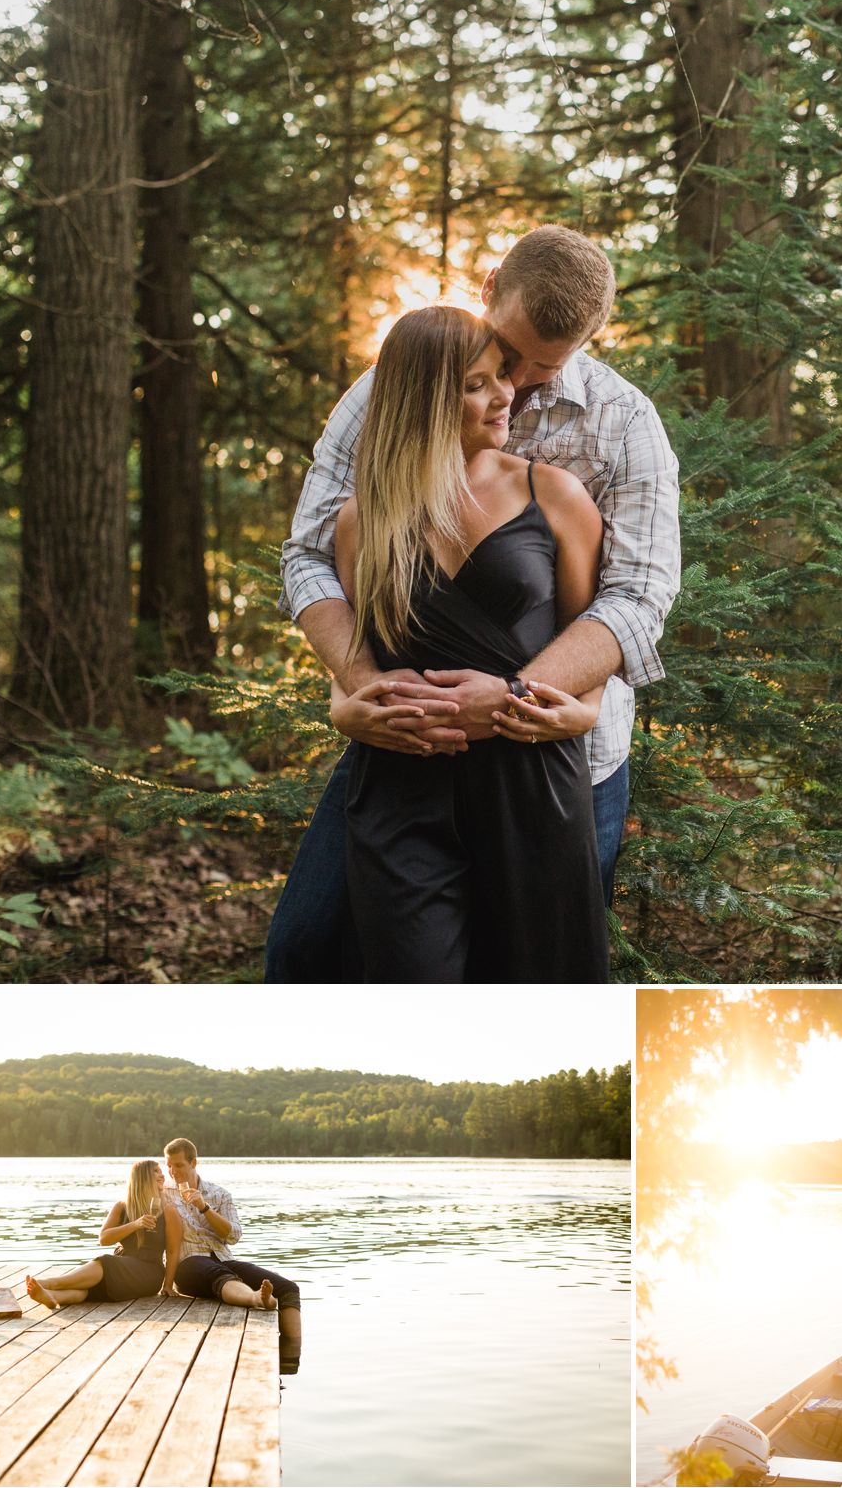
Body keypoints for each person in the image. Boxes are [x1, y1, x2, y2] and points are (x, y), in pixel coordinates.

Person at [267, 223, 681, 979]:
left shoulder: (624, 424)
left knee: (536, 973)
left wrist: (523, 695)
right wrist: (360, 687)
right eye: (505, 354)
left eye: (540, 366)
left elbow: (637, 596)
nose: (516, 382)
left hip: (561, 756)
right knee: (309, 949)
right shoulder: (398, 386)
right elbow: (311, 553)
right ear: (489, 288)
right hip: (411, 746)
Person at [330, 307, 608, 981]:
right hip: (401, 794)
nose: (506, 394)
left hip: (532, 788)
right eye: (477, 384)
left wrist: (585, 708)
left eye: (499, 378)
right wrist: (342, 707)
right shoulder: (362, 520)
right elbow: (355, 656)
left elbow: (591, 631)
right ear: (425, 400)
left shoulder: (557, 497)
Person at [160, 1139, 304, 1375]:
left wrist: (205, 1207)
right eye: (169, 1166)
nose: (173, 1172)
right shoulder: (164, 1193)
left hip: (223, 1257)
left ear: (194, 1163)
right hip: (188, 1263)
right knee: (220, 1274)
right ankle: (257, 1299)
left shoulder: (219, 1194)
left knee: (289, 1288)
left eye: (178, 1166)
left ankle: (292, 1358)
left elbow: (234, 1236)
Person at [25, 1159, 181, 1310]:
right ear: (142, 1177)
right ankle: (53, 1297)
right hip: (120, 1266)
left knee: (106, 1262)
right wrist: (135, 1224)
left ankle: (52, 1283)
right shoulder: (122, 1206)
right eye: (156, 1171)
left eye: (161, 1172)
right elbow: (104, 1239)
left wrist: (167, 1285)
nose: (162, 1175)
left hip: (149, 1272)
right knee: (87, 1290)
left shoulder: (169, 1211)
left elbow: (173, 1251)